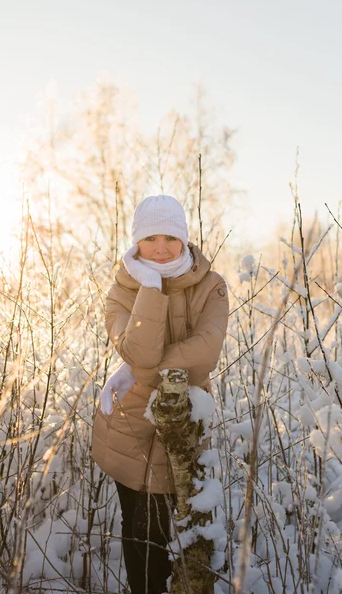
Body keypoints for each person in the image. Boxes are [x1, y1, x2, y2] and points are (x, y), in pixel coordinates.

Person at [91, 195, 229, 594]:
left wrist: (140, 366)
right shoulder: (122, 289)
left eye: (171, 236)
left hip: (182, 423)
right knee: (136, 528)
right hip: (127, 425)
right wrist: (150, 287)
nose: (162, 247)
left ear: (185, 239)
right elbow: (139, 353)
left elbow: (204, 356)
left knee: (165, 531)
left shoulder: (211, 286)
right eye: (151, 237)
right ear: (136, 242)